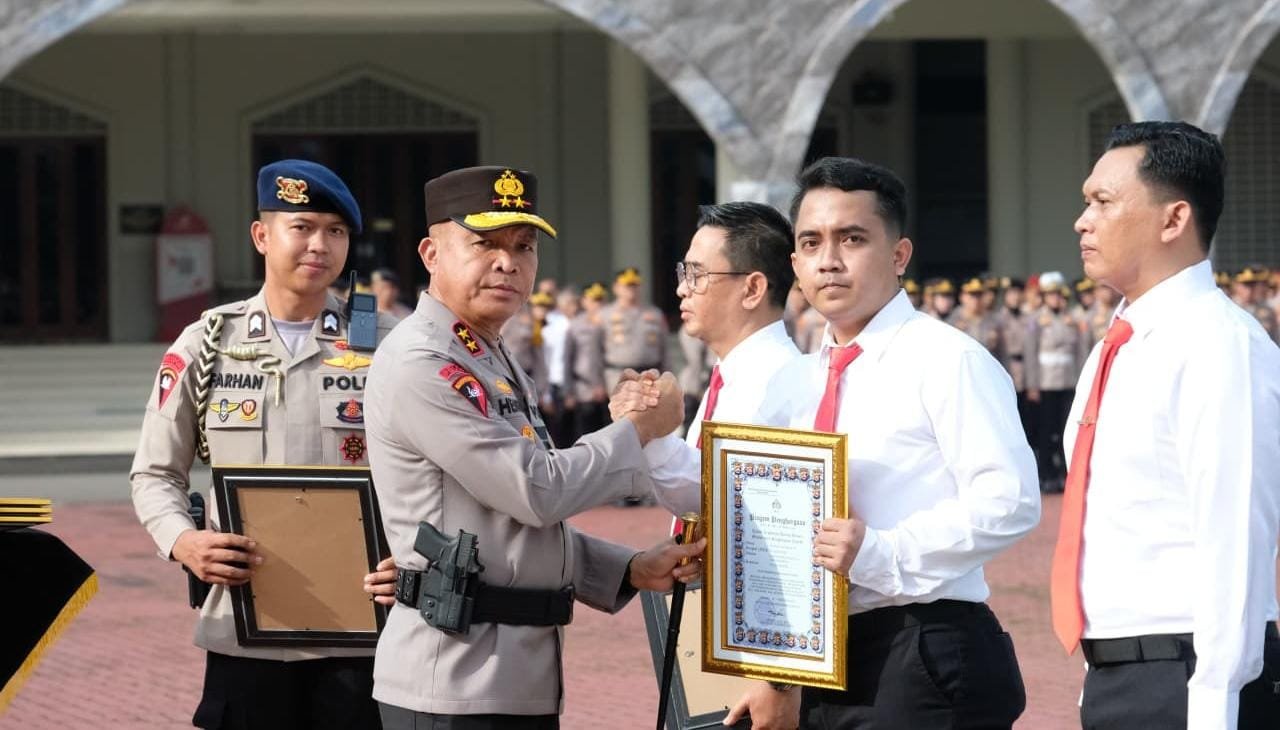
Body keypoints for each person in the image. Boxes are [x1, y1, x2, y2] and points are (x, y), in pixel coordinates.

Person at [362, 165, 704, 729]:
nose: (508, 261)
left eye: (524, 246)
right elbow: (536, 491)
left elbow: (506, 528)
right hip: (452, 679)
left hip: (509, 676)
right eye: (484, 243)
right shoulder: (425, 362)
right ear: (431, 253)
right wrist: (640, 429)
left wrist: (628, 568)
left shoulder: (487, 353)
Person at [726, 157, 1039, 729]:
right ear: (794, 263)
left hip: (922, 644)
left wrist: (881, 551)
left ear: (899, 255)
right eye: (812, 242)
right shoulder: (794, 380)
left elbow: (1010, 501)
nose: (830, 260)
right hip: (821, 659)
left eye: (852, 239)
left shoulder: (947, 361)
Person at [130, 159, 399, 729]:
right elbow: (155, 473)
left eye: (336, 231)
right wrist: (183, 542)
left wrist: (415, 555)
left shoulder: (386, 346)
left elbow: (432, 474)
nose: (319, 245)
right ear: (262, 235)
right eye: (301, 226)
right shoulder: (206, 343)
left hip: (362, 628)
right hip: (244, 626)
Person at [1053, 120, 1280, 730]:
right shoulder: (1118, 345)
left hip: (1190, 679)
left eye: (1102, 201)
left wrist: (1214, 705)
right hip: (1124, 673)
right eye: (1085, 201)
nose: (1083, 220)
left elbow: (1234, 534)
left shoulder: (1217, 342)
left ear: (1173, 219)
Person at [614, 201, 800, 520]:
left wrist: (650, 432)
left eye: (696, 274)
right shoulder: (733, 372)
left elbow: (730, 501)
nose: (681, 288)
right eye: (683, 272)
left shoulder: (783, 382)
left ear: (753, 289)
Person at [1024, 271, 1087, 493]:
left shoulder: (1072, 319)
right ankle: (1047, 473)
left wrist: (1082, 381)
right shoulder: (1036, 321)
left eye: (1059, 295)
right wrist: (1032, 384)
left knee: (1066, 429)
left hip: (1068, 381)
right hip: (1046, 383)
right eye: (1051, 295)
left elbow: (1080, 352)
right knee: (1045, 430)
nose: (1056, 299)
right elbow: (1030, 354)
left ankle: (1065, 473)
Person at [601, 267, 670, 392]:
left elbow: (664, 348)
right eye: (627, 285)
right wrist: (598, 383)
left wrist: (667, 377)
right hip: (617, 376)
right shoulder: (605, 315)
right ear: (616, 287)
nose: (632, 289)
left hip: (650, 376)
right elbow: (595, 352)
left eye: (635, 285)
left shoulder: (655, 314)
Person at [565, 282, 609, 439]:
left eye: (600, 300)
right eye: (593, 300)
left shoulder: (613, 322)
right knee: (585, 435)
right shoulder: (576, 325)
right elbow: (568, 359)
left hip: (610, 388)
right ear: (584, 301)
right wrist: (568, 391)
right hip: (584, 389)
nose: (598, 304)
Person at [994, 277, 1035, 441]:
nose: (1015, 297)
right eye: (1011, 294)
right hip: (1005, 369)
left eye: (1018, 293)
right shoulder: (997, 319)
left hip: (1024, 373)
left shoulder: (1028, 319)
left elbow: (1032, 352)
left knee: (1028, 420)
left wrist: (1033, 384)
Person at [948, 276, 1002, 358]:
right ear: (962, 296)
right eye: (972, 294)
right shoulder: (953, 320)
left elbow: (1001, 352)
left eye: (979, 295)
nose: (975, 299)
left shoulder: (993, 320)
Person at [1231, 265, 1278, 344]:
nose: (1250, 289)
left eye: (1253, 284)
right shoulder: (1229, 307)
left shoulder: (1266, 310)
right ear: (1235, 285)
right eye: (1246, 284)